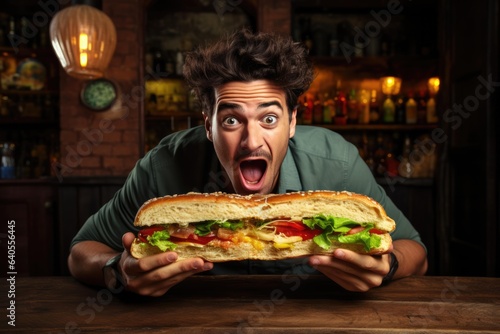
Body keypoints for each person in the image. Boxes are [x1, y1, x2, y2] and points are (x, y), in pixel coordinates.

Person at [69, 29, 427, 297]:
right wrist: (117, 270)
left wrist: (387, 266)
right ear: (207, 124)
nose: (252, 141)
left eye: (269, 119)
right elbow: (81, 253)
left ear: (293, 122)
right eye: (231, 120)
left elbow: (416, 252)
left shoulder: (337, 162)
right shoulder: (165, 165)